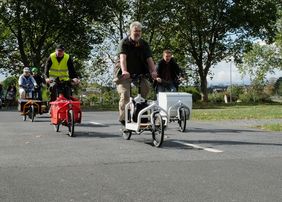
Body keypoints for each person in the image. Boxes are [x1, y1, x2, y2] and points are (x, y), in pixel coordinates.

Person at [114, 21, 157, 126]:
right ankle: (124, 120)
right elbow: (122, 58)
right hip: (124, 73)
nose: (137, 33)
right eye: (135, 31)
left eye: (139, 31)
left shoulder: (144, 44)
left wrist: (153, 71)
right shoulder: (124, 43)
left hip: (140, 72)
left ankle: (140, 111)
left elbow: (149, 59)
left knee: (146, 87)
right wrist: (124, 71)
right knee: (125, 94)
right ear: (130, 31)